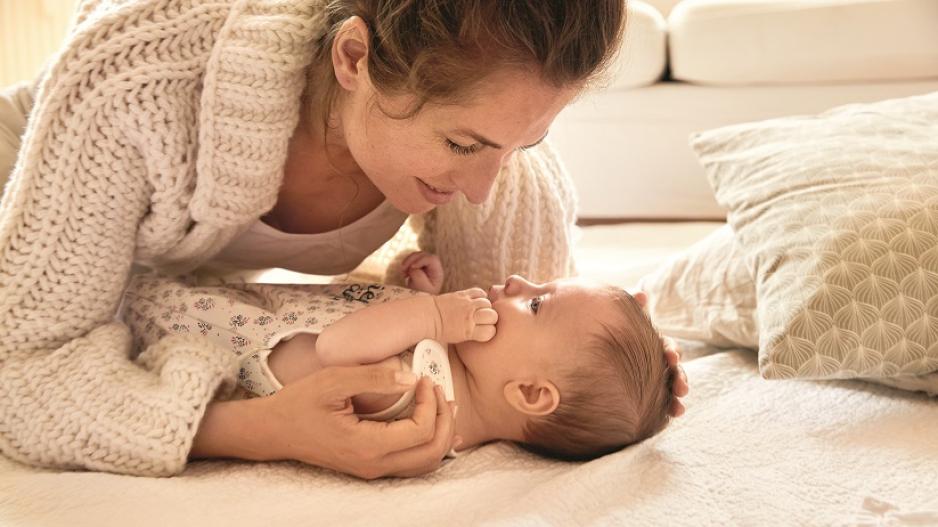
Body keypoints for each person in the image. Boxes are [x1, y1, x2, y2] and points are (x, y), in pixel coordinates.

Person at [0, 0, 686, 479]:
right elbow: (20, 371)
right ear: (354, 58)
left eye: (524, 143)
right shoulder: (132, 84)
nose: (485, 187)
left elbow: (525, 356)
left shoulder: (498, 148)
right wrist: (265, 429)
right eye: (461, 143)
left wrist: (625, 387)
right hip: (31, 179)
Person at [122, 252, 682, 464]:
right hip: (252, 303)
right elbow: (359, 321)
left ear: (531, 394)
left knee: (126, 291)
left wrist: (431, 315)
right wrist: (407, 295)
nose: (516, 279)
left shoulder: (419, 401)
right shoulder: (452, 370)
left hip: (209, 332)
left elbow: (336, 348)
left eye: (534, 302)